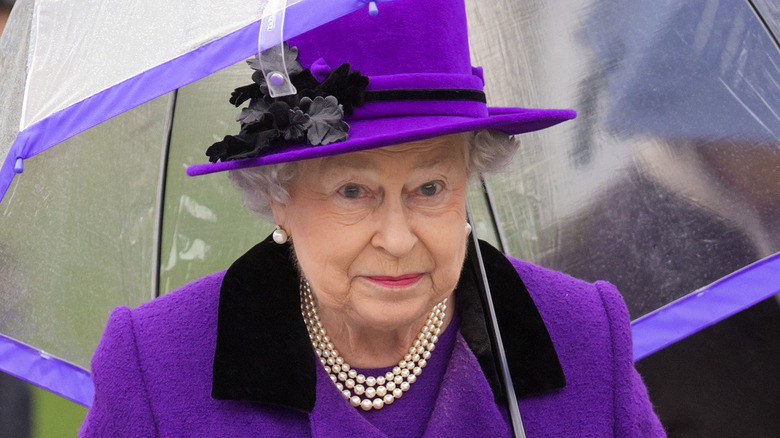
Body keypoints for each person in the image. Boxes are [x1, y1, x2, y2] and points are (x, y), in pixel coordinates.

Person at [80, 0, 664, 436]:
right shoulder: (158, 364)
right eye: (353, 191)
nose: (396, 237)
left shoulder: (582, 335)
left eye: (430, 187)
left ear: (469, 178)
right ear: (278, 193)